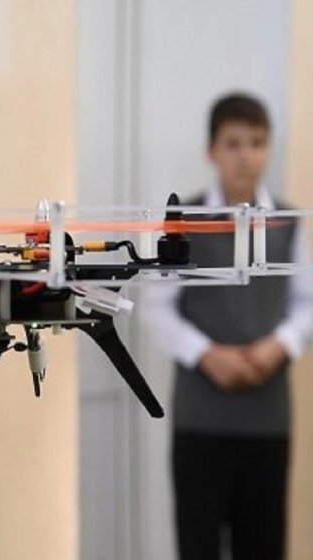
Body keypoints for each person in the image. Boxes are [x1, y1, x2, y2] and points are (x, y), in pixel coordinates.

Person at [143, 92, 313, 559]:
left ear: (268, 148)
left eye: (257, 143)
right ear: (211, 150)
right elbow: (157, 307)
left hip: (267, 420)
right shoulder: (183, 222)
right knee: (197, 545)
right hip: (200, 420)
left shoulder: (288, 223)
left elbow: (306, 303)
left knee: (264, 545)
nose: (246, 156)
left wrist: (279, 345)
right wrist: (207, 354)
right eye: (234, 143)